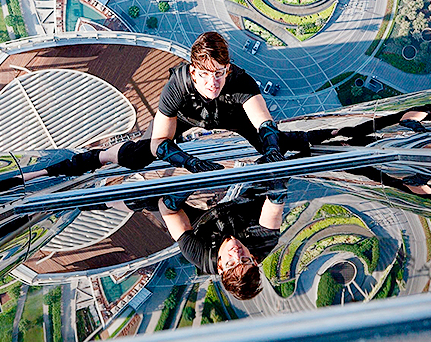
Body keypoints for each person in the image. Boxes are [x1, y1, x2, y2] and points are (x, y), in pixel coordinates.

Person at [95, 32, 333, 172]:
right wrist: (189, 162)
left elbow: (264, 121)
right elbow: (159, 141)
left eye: (219, 73)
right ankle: (99, 157)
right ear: (192, 72)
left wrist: (271, 147)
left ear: (227, 69)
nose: (213, 83)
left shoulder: (239, 81)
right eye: (205, 74)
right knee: (138, 157)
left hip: (233, 117)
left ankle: (326, 134)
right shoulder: (177, 86)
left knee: (273, 145)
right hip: (185, 118)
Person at [157, 183, 286, 300]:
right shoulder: (263, 244)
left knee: (152, 201)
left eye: (230, 263)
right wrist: (276, 190)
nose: (237, 254)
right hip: (243, 203)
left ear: (220, 266)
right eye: (245, 260)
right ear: (254, 260)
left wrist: (191, 183)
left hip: (200, 220)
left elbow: (167, 210)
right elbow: (274, 208)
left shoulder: (200, 255)